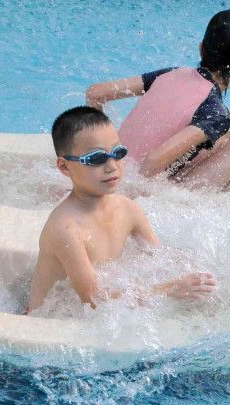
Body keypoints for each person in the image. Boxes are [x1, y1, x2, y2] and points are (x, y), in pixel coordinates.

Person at [27, 106, 215, 313]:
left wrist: (197, 275)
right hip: (49, 320)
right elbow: (94, 300)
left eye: (118, 153)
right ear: (65, 166)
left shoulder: (127, 208)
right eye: (96, 158)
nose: (112, 166)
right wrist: (169, 289)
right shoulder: (65, 229)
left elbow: (159, 258)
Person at [85, 9, 230, 192]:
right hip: (129, 190)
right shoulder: (215, 113)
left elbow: (96, 93)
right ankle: (215, 203)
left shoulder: (170, 74)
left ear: (201, 47)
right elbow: (152, 161)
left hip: (113, 168)